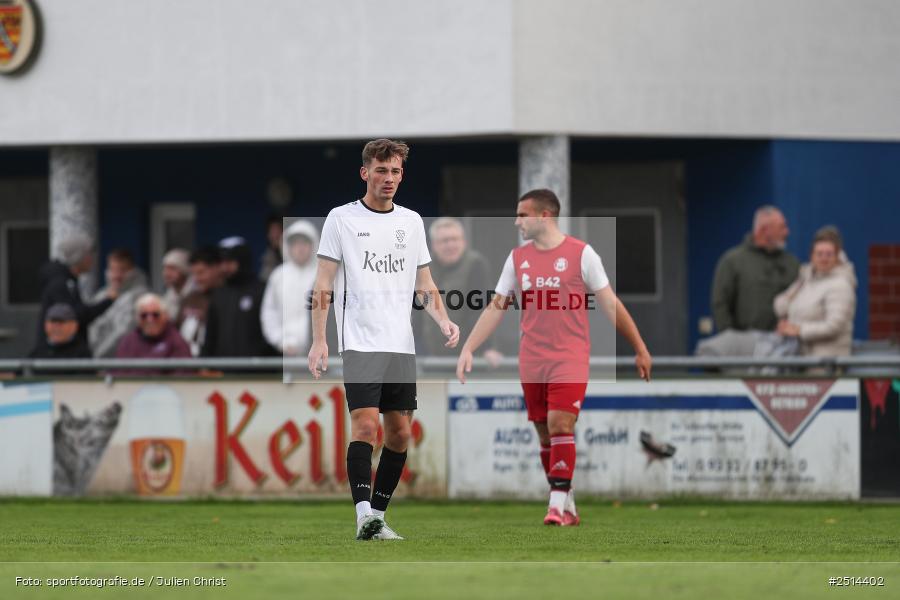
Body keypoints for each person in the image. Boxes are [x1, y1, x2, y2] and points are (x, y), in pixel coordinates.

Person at [456, 189, 652, 526]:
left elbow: (610, 304)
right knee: (545, 434)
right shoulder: (517, 258)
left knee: (561, 424)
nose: (517, 221)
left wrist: (639, 347)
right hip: (532, 358)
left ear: (544, 216)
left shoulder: (582, 254)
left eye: (522, 214)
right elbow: (496, 307)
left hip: (570, 356)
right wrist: (469, 347)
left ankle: (556, 505)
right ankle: (569, 503)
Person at [308, 139, 459, 541]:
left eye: (395, 171)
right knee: (365, 426)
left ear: (401, 175)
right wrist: (319, 340)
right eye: (381, 170)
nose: (388, 178)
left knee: (400, 434)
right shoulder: (341, 219)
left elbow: (423, 282)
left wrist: (443, 319)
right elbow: (323, 283)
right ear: (365, 173)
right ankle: (362, 515)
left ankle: (377, 517)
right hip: (359, 341)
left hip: (400, 344)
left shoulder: (411, 222)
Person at [419, 217, 507, 364]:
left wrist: (487, 347)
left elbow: (483, 308)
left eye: (455, 239)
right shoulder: (425, 267)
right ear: (433, 245)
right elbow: (418, 309)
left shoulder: (476, 264)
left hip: (469, 356)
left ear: (464, 242)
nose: (451, 245)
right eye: (445, 241)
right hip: (431, 357)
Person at [711, 206, 800, 332]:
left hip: (784, 342)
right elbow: (720, 303)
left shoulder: (791, 263)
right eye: (782, 227)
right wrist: (730, 338)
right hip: (746, 343)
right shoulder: (733, 261)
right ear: (765, 230)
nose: (787, 232)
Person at [774, 226, 856, 358]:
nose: (824, 258)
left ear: (837, 257)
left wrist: (798, 330)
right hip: (802, 358)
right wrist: (786, 326)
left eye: (829, 254)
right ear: (811, 256)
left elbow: (833, 326)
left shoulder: (841, 284)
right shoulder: (806, 278)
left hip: (827, 364)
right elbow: (780, 306)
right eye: (819, 253)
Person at [37, 232, 117, 350]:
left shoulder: (68, 281)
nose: (92, 259)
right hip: (60, 354)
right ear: (79, 256)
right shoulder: (61, 283)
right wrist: (108, 300)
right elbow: (77, 316)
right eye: (89, 254)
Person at [202, 238, 273, 358]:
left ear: (242, 261)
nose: (224, 268)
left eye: (229, 262)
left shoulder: (262, 290)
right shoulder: (219, 294)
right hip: (224, 371)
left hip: (259, 371)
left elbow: (271, 330)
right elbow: (210, 336)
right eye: (222, 262)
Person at [261, 219, 319, 356]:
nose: (300, 248)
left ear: (314, 245)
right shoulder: (278, 276)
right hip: (287, 353)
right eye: (295, 243)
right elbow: (269, 313)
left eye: (304, 243)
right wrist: (281, 341)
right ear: (287, 246)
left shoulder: (325, 274)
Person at [88, 249, 150, 358]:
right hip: (97, 363)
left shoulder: (140, 297)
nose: (116, 275)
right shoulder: (101, 296)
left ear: (132, 271)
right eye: (113, 269)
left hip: (125, 364)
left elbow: (125, 332)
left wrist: (97, 357)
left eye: (122, 270)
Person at [115, 293, 193, 375]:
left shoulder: (177, 342)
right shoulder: (128, 342)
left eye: (155, 315)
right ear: (137, 318)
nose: (150, 319)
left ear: (165, 316)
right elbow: (117, 373)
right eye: (144, 315)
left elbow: (183, 378)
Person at [178, 246, 223, 356]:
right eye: (194, 274)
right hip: (187, 364)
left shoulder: (226, 298)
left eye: (201, 272)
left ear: (217, 268)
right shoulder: (189, 298)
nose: (197, 278)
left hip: (215, 364)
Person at [161, 248, 194, 318]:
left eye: (172, 268)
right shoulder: (168, 296)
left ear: (185, 270)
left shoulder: (196, 294)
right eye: (165, 268)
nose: (167, 274)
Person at [259, 215, 284, 282]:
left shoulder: (296, 255)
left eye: (278, 230)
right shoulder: (267, 259)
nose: (275, 235)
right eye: (272, 231)